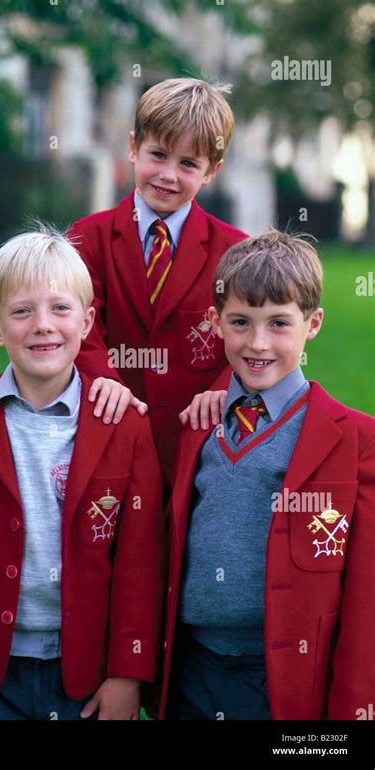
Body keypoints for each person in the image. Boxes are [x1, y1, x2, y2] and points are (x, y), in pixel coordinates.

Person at [0, 226, 165, 721]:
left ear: (88, 322)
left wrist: (127, 675)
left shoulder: (126, 427)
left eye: (60, 308)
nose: (43, 325)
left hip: (89, 680)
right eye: (22, 311)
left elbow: (141, 564)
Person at [158, 229, 375, 720]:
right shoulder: (198, 424)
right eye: (240, 322)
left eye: (279, 323)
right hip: (195, 670)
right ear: (215, 323)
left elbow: (367, 600)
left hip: (285, 678)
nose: (258, 343)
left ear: (313, 323)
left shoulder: (356, 440)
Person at [69, 77, 247, 486]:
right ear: (133, 147)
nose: (168, 175)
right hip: (107, 431)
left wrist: (227, 387)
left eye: (188, 164)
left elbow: (249, 329)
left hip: (199, 446)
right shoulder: (86, 238)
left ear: (211, 172)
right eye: (158, 155)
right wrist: (104, 380)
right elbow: (79, 322)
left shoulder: (235, 251)